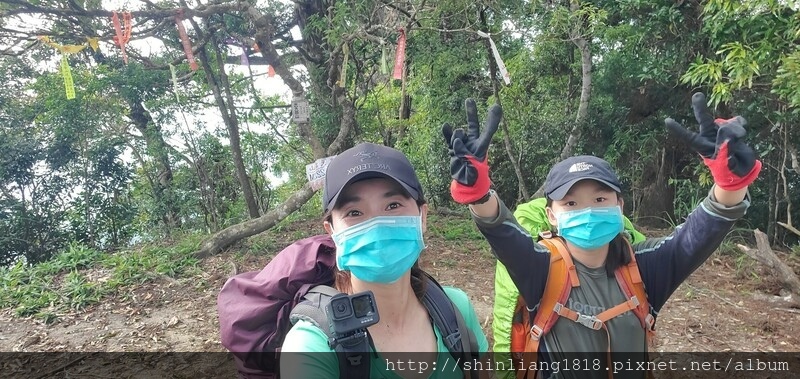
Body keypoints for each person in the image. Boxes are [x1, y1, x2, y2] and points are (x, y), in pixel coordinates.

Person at [441, 95, 760, 378]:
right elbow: (502, 232)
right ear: (552, 215)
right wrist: (479, 193)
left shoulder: (646, 268)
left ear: (620, 206)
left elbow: (700, 232)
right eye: (571, 203)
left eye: (600, 199)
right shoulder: (539, 268)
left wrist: (730, 182)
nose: (587, 211)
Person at [280, 142, 490, 378]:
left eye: (393, 205)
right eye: (354, 213)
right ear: (332, 232)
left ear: (422, 217)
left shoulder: (455, 309)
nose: (377, 226)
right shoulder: (310, 346)